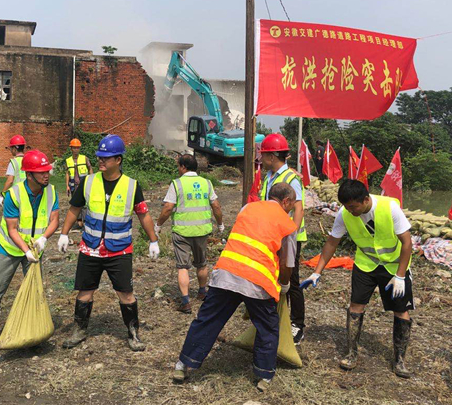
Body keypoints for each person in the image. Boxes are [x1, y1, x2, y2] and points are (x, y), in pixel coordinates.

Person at [173, 182, 298, 391]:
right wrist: (284, 285)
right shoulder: (287, 224)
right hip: (257, 283)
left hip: (226, 274)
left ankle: (183, 364)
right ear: (285, 201)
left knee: (207, 320)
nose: (291, 210)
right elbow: (287, 263)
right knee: (268, 327)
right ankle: (264, 375)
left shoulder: (248, 208)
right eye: (292, 206)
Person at [301, 179, 414, 378]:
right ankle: (352, 353)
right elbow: (331, 243)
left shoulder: (390, 208)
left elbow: (407, 243)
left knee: (400, 310)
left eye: (353, 207)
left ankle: (400, 360)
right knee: (355, 307)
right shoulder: (345, 214)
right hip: (366, 264)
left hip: (394, 265)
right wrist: (317, 271)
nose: (350, 211)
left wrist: (400, 276)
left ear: (365, 199)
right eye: (346, 207)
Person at [57, 134, 160, 351]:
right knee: (85, 291)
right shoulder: (88, 182)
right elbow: (74, 209)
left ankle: (133, 333)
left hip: (119, 251)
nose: (101, 161)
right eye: (99, 157)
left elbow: (143, 215)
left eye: (106, 158)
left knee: (126, 294)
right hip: (90, 247)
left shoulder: (132, 186)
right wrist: (64, 233)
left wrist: (153, 240)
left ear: (118, 160)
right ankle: (80, 329)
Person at [0, 150, 59, 346]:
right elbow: (12, 229)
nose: (46, 175)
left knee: (36, 290)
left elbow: (55, 220)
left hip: (35, 249)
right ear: (29, 175)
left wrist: (44, 239)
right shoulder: (14, 195)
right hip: (9, 248)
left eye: (47, 171)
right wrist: (25, 250)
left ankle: (34, 330)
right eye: (41, 172)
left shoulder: (51, 191)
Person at [155, 154, 224, 313]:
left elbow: (167, 208)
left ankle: (185, 302)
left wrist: (158, 225)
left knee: (183, 267)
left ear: (183, 167)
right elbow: (217, 206)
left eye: (179, 166)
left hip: (182, 232)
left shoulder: (177, 184)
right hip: (202, 231)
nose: (178, 169)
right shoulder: (206, 183)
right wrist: (220, 225)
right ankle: (202, 292)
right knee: (201, 263)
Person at [259, 133, 308, 345]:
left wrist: (291, 233)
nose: (260, 159)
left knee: (292, 281)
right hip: (272, 235)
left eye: (263, 155)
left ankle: (298, 324)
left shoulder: (291, 178)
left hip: (288, 237)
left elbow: (298, 208)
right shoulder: (269, 176)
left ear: (272, 156)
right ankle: (279, 316)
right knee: (275, 276)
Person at [65, 138, 93, 229]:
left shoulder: (84, 158)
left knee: (84, 205)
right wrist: (67, 186)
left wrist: (91, 180)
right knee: (75, 204)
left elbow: (90, 169)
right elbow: (67, 173)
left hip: (83, 185)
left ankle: (85, 223)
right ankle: (79, 222)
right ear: (71, 149)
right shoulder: (68, 160)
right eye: (74, 148)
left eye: (77, 148)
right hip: (73, 185)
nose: (76, 149)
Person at [0, 135, 27, 206]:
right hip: (29, 193)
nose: (10, 150)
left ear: (14, 148)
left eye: (11, 148)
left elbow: (10, 181)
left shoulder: (13, 162)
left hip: (17, 195)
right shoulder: (28, 160)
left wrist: (2, 194)